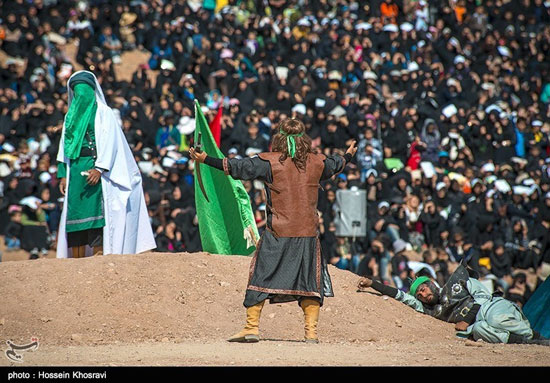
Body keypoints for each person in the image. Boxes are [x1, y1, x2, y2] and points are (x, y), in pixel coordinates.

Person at [190, 118, 357, 343]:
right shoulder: (317, 162)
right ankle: (311, 334)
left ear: (278, 138)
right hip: (307, 235)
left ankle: (251, 328)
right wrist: (347, 156)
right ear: (304, 140)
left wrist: (205, 159)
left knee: (260, 275)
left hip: (278, 233)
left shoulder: (269, 162)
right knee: (309, 283)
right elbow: (336, 164)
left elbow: (237, 167)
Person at [56, 71, 156, 258]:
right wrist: (62, 173)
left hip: (96, 167)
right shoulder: (70, 116)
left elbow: (111, 141)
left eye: (85, 90)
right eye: (77, 92)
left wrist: (100, 168)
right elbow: (64, 146)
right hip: (75, 169)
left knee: (97, 213)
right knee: (75, 214)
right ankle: (76, 260)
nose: (82, 95)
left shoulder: (104, 112)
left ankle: (98, 256)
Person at [357, 262, 550, 345]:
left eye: (423, 288)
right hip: (479, 324)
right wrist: (373, 284)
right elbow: (400, 295)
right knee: (479, 330)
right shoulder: (432, 310)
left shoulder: (459, 282)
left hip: (493, 307)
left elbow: (482, 298)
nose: (423, 295)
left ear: (431, 284)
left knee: (492, 318)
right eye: (419, 295)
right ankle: (527, 343)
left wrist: (465, 320)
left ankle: (535, 336)